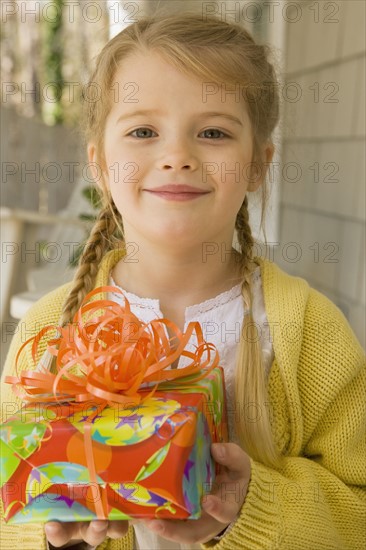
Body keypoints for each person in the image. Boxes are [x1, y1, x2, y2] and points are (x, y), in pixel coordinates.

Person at [1, 12, 365, 550]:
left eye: (213, 132)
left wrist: (249, 509)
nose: (177, 157)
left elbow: (358, 508)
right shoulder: (51, 330)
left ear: (258, 165)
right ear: (100, 163)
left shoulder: (308, 334)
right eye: (143, 131)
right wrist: (57, 538)